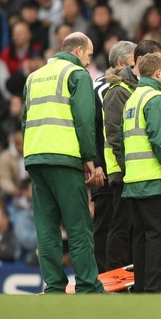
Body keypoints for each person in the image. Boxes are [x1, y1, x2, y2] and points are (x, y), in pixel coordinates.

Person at [22, 32, 104, 293]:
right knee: (78, 225)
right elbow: (84, 119)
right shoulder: (76, 74)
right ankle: (88, 286)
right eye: (89, 55)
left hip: (35, 157)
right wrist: (89, 158)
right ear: (79, 51)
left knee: (46, 228)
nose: (90, 62)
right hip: (64, 157)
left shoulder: (33, 77)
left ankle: (54, 287)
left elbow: (24, 120)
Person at [120, 53, 161, 293]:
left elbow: (122, 140)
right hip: (155, 178)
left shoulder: (133, 99)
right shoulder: (156, 98)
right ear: (158, 73)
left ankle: (140, 286)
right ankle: (153, 287)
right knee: (157, 235)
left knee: (140, 237)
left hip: (134, 180)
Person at [103, 40, 161, 270]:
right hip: (124, 173)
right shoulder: (120, 91)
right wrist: (128, 171)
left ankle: (134, 281)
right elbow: (115, 137)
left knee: (135, 231)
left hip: (139, 173)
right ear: (140, 61)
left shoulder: (139, 90)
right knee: (121, 228)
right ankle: (116, 279)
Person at [92, 40, 136, 273]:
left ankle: (125, 278)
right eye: (133, 60)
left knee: (125, 226)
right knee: (107, 225)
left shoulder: (132, 87)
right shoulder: (101, 88)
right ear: (121, 63)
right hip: (107, 171)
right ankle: (105, 278)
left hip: (126, 169)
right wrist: (96, 164)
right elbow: (94, 128)